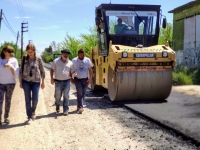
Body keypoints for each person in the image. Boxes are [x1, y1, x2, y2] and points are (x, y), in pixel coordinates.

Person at [19, 44, 45, 125]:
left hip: (36, 82)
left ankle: (33, 111)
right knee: (27, 99)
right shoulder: (24, 58)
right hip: (25, 81)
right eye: (28, 51)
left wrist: (43, 82)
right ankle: (29, 116)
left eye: (32, 51)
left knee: (35, 99)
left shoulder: (38, 58)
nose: (30, 53)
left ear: (34, 51)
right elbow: (21, 71)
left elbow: (42, 70)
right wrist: (20, 82)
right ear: (26, 51)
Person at [0, 45, 19, 125]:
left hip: (10, 83)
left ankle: (6, 117)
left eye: (12, 52)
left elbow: (16, 74)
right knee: (0, 101)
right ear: (4, 51)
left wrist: (10, 67)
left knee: (8, 101)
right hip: (0, 83)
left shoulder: (14, 60)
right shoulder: (0, 59)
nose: (11, 53)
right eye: (9, 51)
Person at [50, 49, 72, 115]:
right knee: (57, 96)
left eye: (67, 54)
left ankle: (65, 109)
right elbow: (52, 69)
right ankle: (57, 105)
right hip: (58, 81)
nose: (66, 55)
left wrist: (73, 75)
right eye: (64, 54)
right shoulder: (56, 61)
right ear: (61, 54)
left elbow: (71, 72)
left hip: (67, 81)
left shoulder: (70, 63)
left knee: (66, 95)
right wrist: (51, 78)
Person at [71, 49, 93, 114]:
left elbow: (90, 69)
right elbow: (71, 69)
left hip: (85, 79)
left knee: (83, 93)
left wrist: (90, 78)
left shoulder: (87, 60)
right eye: (80, 55)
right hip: (77, 79)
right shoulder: (74, 60)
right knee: (79, 92)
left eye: (83, 54)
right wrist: (72, 75)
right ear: (78, 55)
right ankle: (81, 107)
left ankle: (78, 106)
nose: (82, 56)